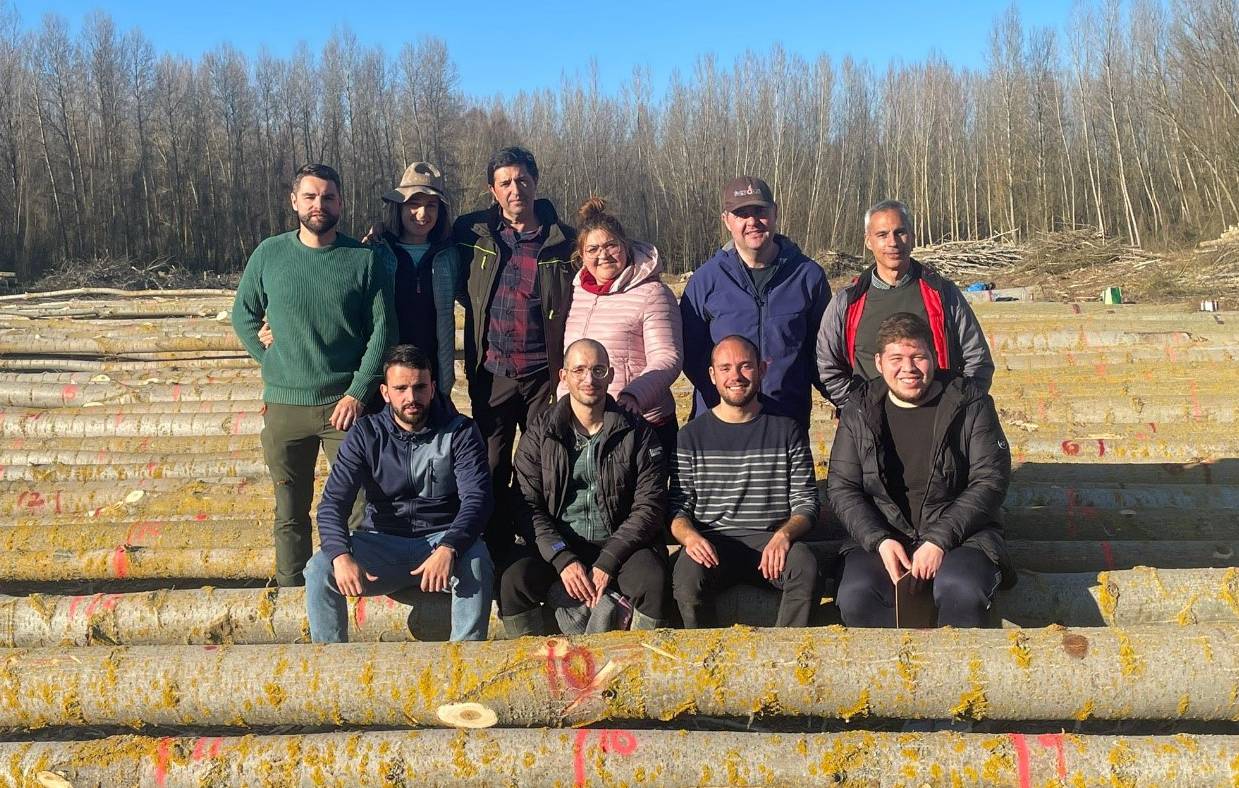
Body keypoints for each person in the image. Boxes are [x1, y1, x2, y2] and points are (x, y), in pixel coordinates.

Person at [232, 163, 396, 586]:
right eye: (310, 196)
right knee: (290, 508)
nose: (318, 204)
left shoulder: (362, 260)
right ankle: (292, 593)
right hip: (285, 408)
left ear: (340, 203)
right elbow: (243, 314)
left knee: (360, 501)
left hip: (343, 407)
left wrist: (359, 391)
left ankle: (364, 590)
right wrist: (267, 358)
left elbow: (383, 330)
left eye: (327, 197)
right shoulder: (270, 253)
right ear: (294, 201)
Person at [828, 313, 1013, 628]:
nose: (908, 368)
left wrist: (940, 540)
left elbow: (990, 480)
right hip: (883, 535)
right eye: (896, 358)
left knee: (961, 589)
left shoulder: (970, 402)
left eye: (918, 357)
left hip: (962, 537)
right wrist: (879, 540)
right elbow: (842, 486)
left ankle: (957, 672)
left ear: (934, 357)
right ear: (879, 362)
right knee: (856, 594)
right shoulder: (859, 408)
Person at [303, 345, 493, 642]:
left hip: (439, 541)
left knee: (476, 559)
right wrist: (340, 555)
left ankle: (465, 660)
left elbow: (478, 500)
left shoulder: (460, 431)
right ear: (385, 392)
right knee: (318, 570)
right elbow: (332, 504)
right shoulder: (365, 433)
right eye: (401, 388)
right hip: (381, 542)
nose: (411, 397)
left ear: (432, 388)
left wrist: (450, 546)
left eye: (419, 387)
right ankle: (331, 664)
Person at [453, 146, 577, 558]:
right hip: (493, 373)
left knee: (543, 466)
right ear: (492, 190)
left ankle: (546, 549)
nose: (515, 189)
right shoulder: (475, 236)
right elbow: (426, 244)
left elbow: (606, 262)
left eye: (522, 180)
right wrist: (380, 234)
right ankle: (495, 549)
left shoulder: (564, 241)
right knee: (489, 465)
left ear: (536, 182)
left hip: (545, 374)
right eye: (505, 182)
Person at [501, 339, 670, 636]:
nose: (589, 379)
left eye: (598, 370)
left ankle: (639, 668)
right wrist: (562, 557)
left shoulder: (637, 431)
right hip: (560, 541)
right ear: (563, 376)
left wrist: (609, 558)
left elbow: (650, 505)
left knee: (652, 580)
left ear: (611, 375)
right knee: (514, 581)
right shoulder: (541, 433)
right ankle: (531, 668)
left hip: (621, 543)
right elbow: (526, 503)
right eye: (579, 370)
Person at [669, 335, 820, 628]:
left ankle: (786, 655)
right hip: (713, 543)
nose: (735, 376)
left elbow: (806, 502)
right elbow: (678, 507)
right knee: (687, 575)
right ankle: (704, 662)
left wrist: (785, 535)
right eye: (725, 368)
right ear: (712, 375)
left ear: (762, 370)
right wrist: (690, 537)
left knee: (804, 565)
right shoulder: (691, 435)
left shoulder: (787, 429)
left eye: (745, 366)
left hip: (770, 543)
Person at [680, 176, 831, 430]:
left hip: (786, 423)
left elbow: (823, 352)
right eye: (741, 214)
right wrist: (730, 397)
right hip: (721, 425)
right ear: (727, 220)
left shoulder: (808, 276)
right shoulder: (706, 280)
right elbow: (691, 355)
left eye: (760, 211)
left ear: (775, 212)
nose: (752, 222)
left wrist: (843, 401)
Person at [817, 199, 994, 409]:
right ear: (868, 241)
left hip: (937, 422)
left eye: (900, 232)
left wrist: (958, 408)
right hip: (871, 429)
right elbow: (828, 367)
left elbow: (977, 360)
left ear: (912, 237)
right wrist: (856, 411)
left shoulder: (942, 294)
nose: (893, 242)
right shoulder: (847, 301)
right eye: (882, 235)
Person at [558, 197, 682, 456]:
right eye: (592, 249)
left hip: (642, 422)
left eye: (611, 245)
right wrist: (563, 402)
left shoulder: (653, 293)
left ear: (625, 246)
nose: (603, 255)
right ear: (582, 255)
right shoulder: (576, 294)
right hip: (588, 423)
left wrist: (634, 396)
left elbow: (667, 357)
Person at [373, 161, 462, 395]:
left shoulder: (450, 256)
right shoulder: (378, 253)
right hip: (384, 373)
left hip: (432, 373)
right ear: (398, 208)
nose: (422, 214)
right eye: (414, 204)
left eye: (431, 205)